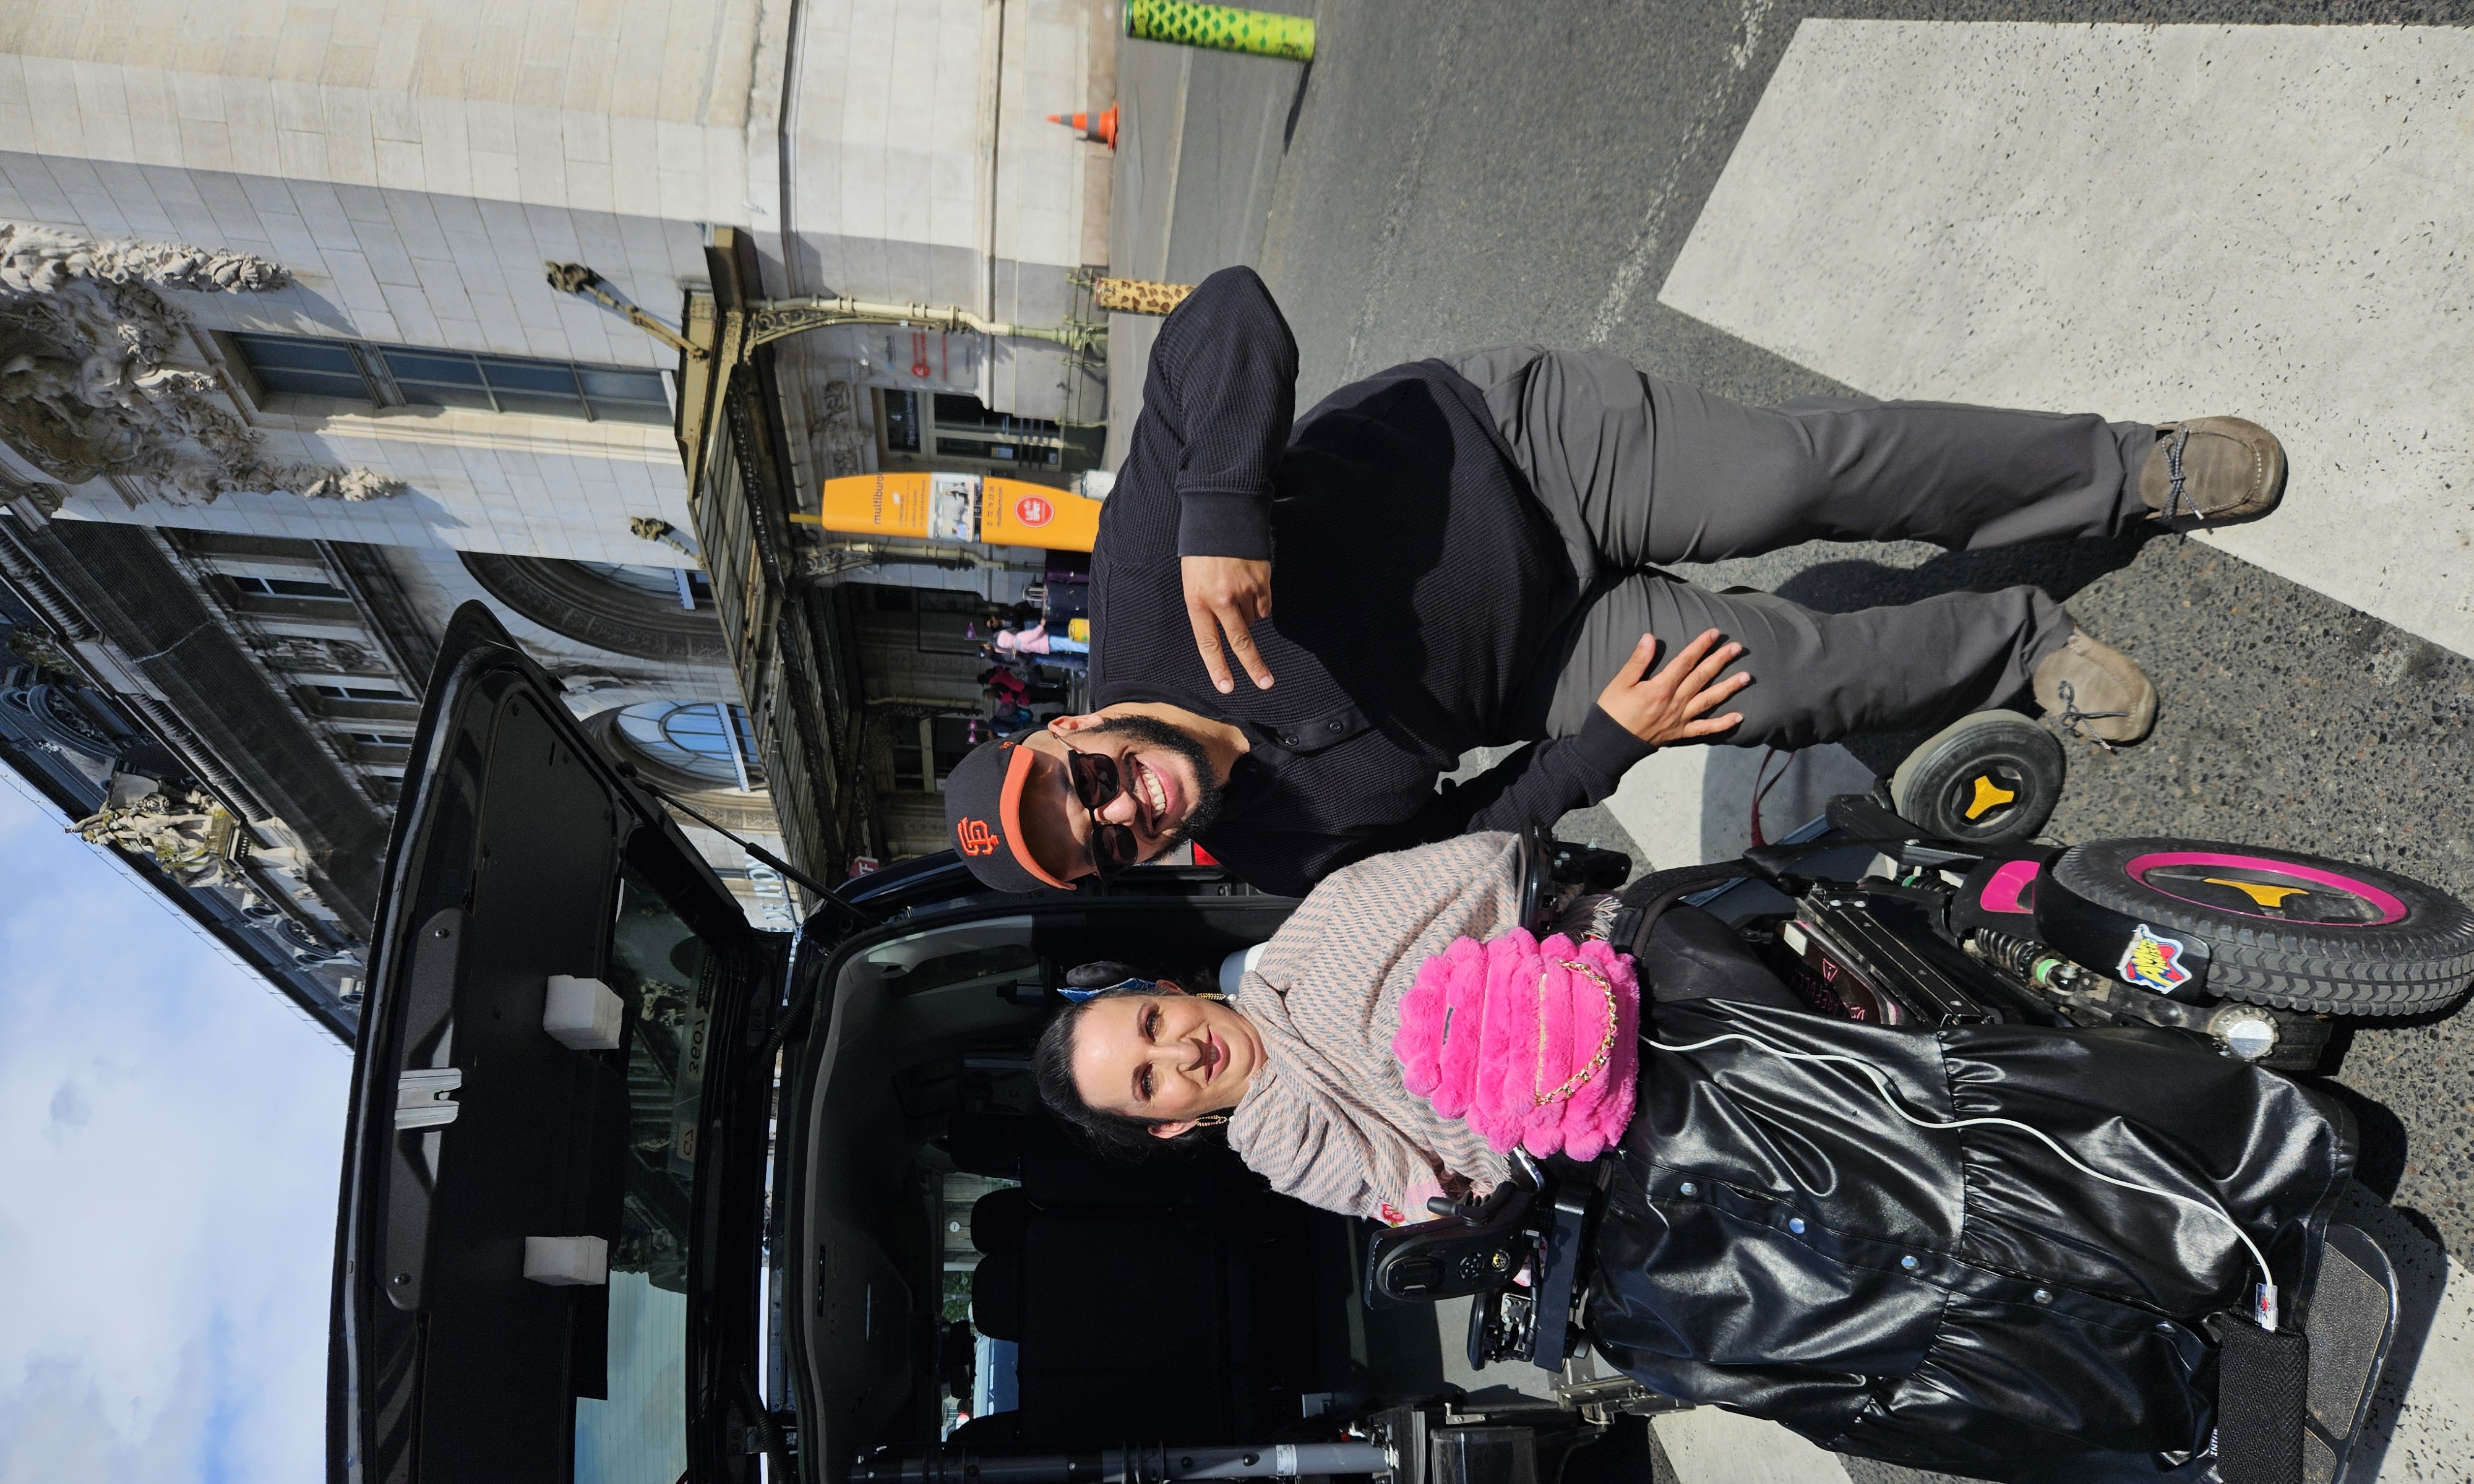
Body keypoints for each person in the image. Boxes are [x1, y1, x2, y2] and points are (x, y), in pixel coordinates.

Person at [1028, 833, 2353, 1484]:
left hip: (1617, 989)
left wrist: (1515, 1002)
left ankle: (2208, 1167)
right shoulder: (1273, 1144)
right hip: (1572, 1145)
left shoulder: (1314, 928)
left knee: (1840, 1116)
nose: (1175, 1053)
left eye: (1148, 1025)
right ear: (1162, 1126)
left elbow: (1477, 874)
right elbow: (1422, 1182)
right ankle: (2127, 1376)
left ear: (1157, 990)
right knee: (1736, 1330)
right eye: (1144, 1080)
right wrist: (1503, 1114)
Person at [942, 267, 2286, 898]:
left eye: (1089, 789)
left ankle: (2124, 471)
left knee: (1785, 479)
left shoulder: (1137, 592)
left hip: (1515, 450)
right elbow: (1454, 841)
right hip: (1548, 660)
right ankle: (2020, 640)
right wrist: (1598, 749)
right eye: (1110, 849)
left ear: (1063, 730)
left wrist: (1216, 510)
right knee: (1768, 689)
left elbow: (1222, 315)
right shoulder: (1273, 848)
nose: (1130, 812)